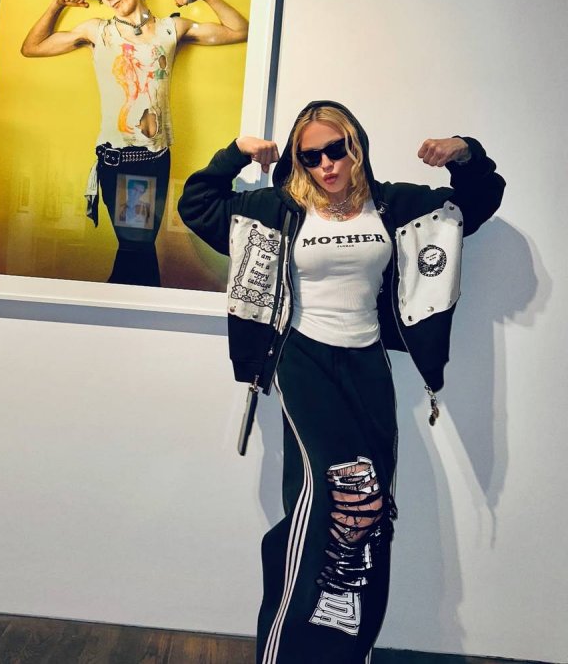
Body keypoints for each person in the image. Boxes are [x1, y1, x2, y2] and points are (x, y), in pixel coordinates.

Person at [178, 100, 505, 664]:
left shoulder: (393, 206)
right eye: (311, 156)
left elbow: (478, 200)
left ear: (356, 147)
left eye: (336, 150)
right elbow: (197, 204)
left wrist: (464, 153)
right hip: (303, 359)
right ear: (299, 161)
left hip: (367, 362)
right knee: (333, 495)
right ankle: (285, 649)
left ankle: (346, 649)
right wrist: (236, 154)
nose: (326, 164)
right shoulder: (278, 209)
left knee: (368, 511)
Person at [21, 0, 248, 287]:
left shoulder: (172, 29)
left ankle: (119, 310)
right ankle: (130, 310)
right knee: (137, 249)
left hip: (156, 158)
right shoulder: (97, 31)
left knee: (137, 252)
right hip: (120, 160)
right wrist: (56, 4)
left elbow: (239, 30)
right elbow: (32, 47)